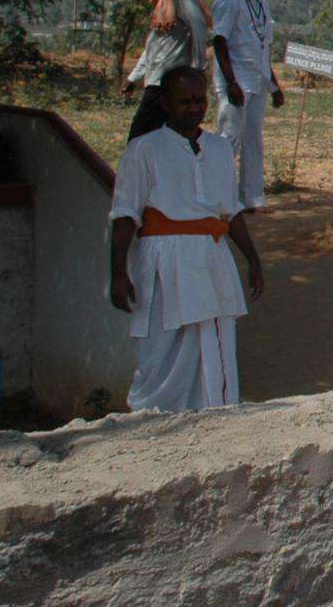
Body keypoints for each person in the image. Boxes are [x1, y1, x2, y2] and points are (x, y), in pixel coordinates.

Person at [108, 64, 266, 411]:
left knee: (214, 343)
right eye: (184, 102)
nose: (194, 108)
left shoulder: (220, 149)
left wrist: (252, 259)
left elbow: (231, 211)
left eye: (199, 100)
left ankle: (215, 414)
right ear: (165, 103)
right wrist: (117, 272)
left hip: (211, 260)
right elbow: (125, 215)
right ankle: (152, 416)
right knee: (159, 349)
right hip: (162, 261)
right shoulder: (143, 150)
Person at [210, 0, 284, 211]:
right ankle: (219, 199)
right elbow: (219, 41)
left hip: (257, 80)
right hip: (236, 80)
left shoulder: (261, 2)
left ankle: (251, 197)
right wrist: (231, 82)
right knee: (229, 138)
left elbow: (262, 48)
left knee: (253, 139)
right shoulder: (230, 0)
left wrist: (274, 86)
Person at [124, 0, 212, 141]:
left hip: (170, 80)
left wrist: (197, 67)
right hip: (156, 79)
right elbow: (155, 46)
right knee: (161, 135)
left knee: (140, 135)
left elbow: (198, 26)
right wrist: (134, 78)